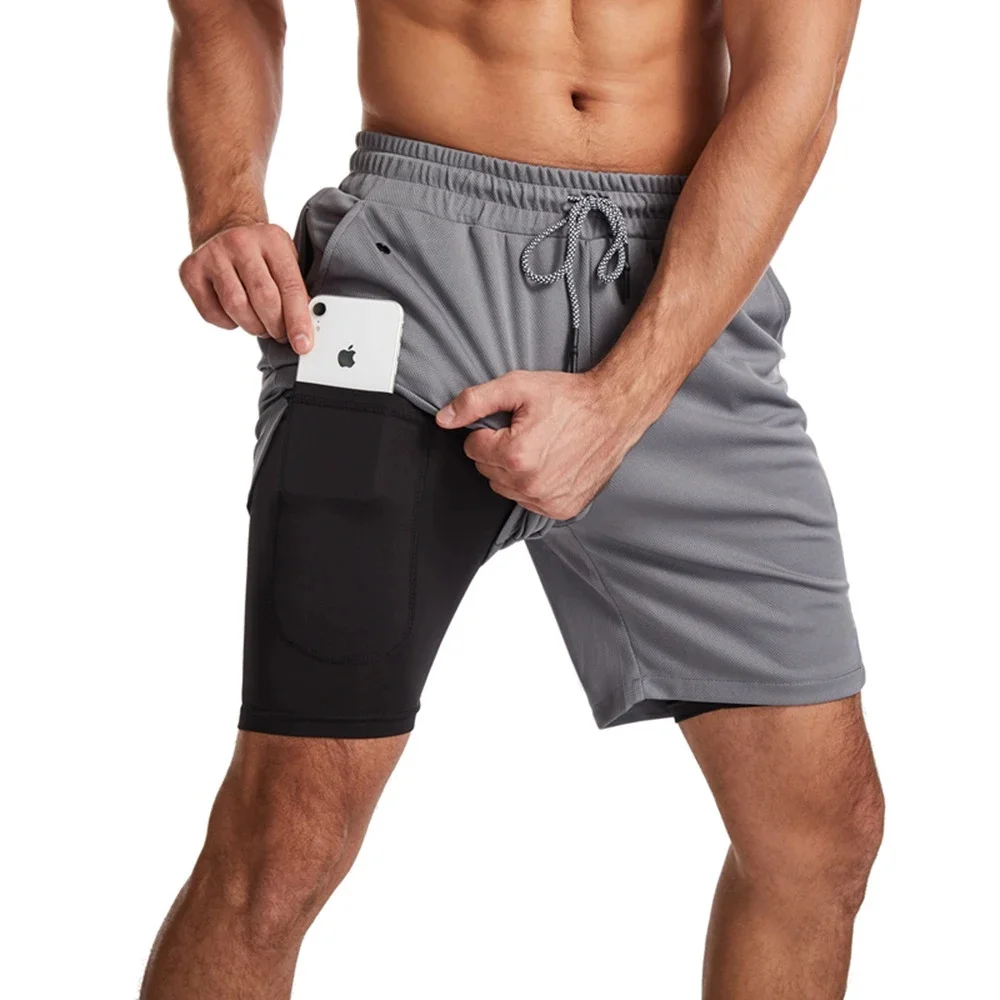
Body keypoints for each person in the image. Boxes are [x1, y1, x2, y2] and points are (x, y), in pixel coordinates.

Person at [144, 0, 884, 996]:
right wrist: (227, 206)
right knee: (285, 841)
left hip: (687, 286)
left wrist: (619, 402)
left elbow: (793, 88)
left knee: (821, 836)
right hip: (410, 282)